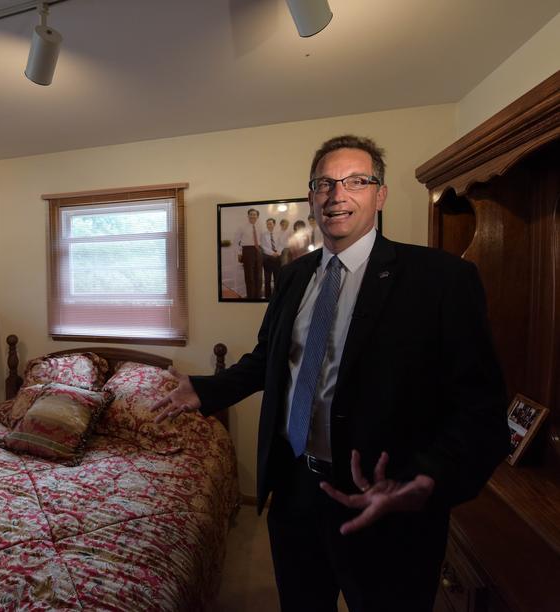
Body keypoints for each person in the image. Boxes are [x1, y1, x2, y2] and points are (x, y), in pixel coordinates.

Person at [153, 135, 508, 612]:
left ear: (380, 195)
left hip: (385, 501)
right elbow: (269, 359)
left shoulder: (439, 279)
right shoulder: (294, 276)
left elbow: (481, 409)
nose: (337, 194)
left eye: (356, 181)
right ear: (311, 197)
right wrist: (206, 389)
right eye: (324, 183)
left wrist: (427, 478)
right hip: (296, 489)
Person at [235, 208, 264, 299]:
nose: (252, 216)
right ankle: (250, 297)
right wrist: (239, 253)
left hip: (258, 250)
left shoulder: (260, 227)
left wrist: (262, 251)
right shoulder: (242, 227)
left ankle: (258, 296)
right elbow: (236, 241)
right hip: (247, 251)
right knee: (249, 276)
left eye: (254, 214)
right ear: (248, 216)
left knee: (259, 275)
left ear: (257, 216)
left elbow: (263, 240)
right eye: (251, 214)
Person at [260, 217, 282, 298]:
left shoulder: (278, 234)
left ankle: (276, 297)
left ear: (274, 224)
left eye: (270, 224)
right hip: (267, 259)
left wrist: (278, 252)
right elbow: (263, 246)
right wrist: (272, 253)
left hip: (277, 258)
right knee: (267, 279)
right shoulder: (263, 234)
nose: (269, 225)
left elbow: (281, 244)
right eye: (267, 224)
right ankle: (267, 297)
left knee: (277, 279)